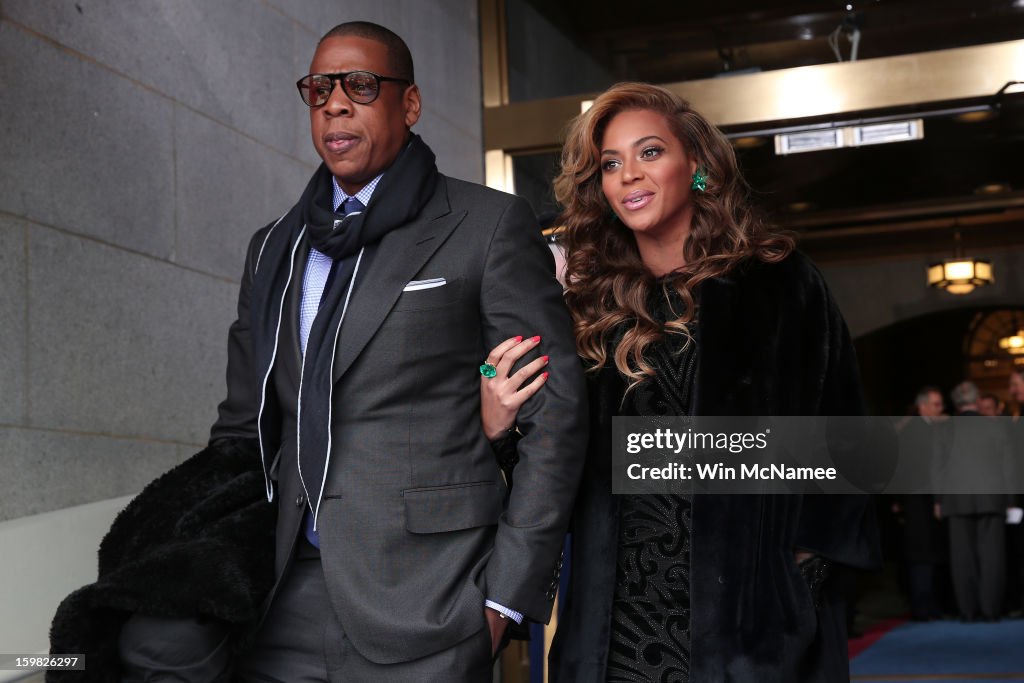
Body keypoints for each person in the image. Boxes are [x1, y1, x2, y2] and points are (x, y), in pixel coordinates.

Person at [56, 20, 587, 683]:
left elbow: (555, 419)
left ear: (410, 104)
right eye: (318, 90)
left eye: (360, 85)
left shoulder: (486, 225)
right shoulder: (274, 245)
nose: (335, 103)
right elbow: (242, 429)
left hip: (432, 603)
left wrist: (504, 598)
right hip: (284, 598)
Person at [480, 83, 879, 682]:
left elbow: (845, 449)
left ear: (696, 164)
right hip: (616, 628)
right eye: (610, 164)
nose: (628, 176)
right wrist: (496, 424)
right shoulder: (587, 308)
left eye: (649, 152)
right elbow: (555, 463)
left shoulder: (781, 286)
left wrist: (796, 588)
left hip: (752, 631)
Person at [934, 381, 1014, 621]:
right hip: (991, 498)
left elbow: (937, 468)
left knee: (961, 557)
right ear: (977, 400)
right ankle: (990, 610)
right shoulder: (995, 428)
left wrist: (938, 500)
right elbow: (1008, 466)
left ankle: (967, 611)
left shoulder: (944, 430)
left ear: (955, 402)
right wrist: (1011, 499)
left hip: (956, 500)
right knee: (992, 557)